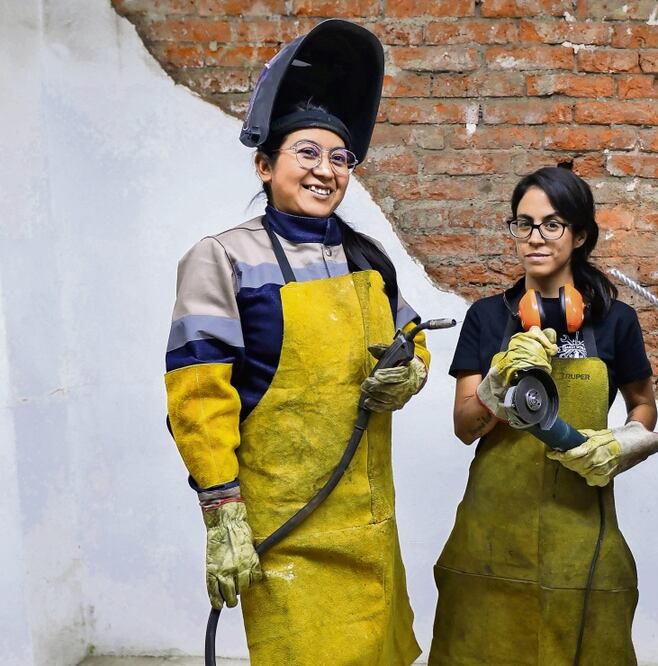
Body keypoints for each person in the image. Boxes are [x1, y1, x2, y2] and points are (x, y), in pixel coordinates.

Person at [164, 20, 427, 664]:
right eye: (307, 152)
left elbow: (413, 340)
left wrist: (409, 374)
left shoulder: (369, 261)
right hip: (287, 530)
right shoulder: (221, 258)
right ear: (265, 162)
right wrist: (222, 513)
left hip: (370, 527)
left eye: (340, 158)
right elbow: (198, 396)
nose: (326, 170)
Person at [430, 166, 658, 665]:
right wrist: (495, 389)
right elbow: (464, 428)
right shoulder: (488, 317)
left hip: (583, 536)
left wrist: (621, 446)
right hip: (491, 539)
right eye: (524, 224)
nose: (535, 238)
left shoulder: (616, 322)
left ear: (579, 235)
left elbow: (644, 407)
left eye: (552, 225)